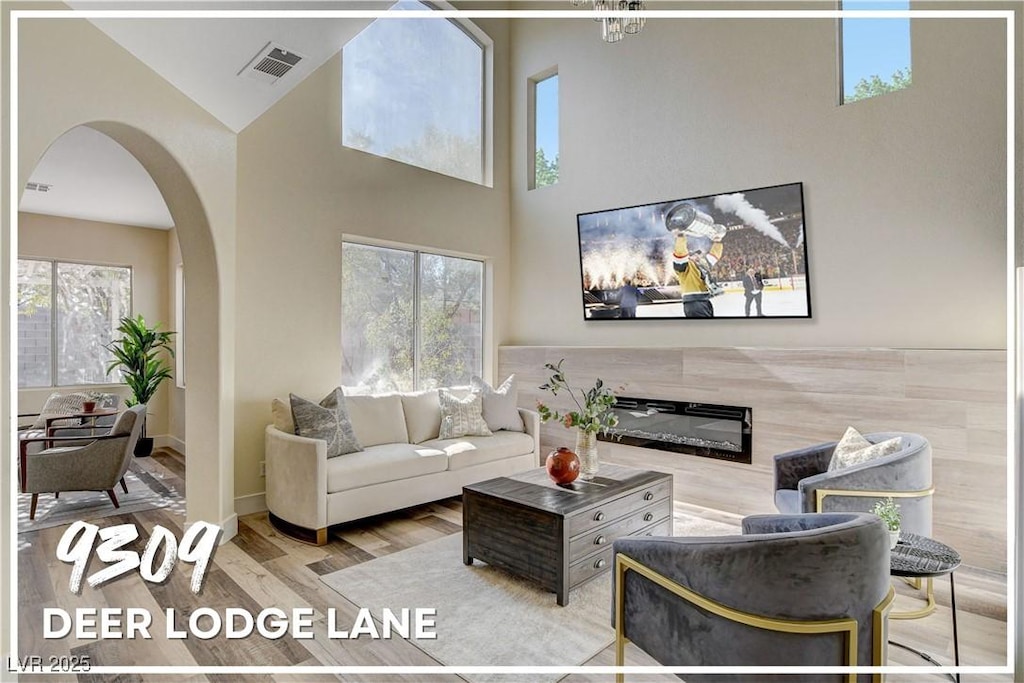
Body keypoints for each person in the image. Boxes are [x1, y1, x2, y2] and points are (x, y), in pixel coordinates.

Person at [665, 203, 726, 318]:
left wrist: (717, 241)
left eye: (699, 254)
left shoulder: (702, 264)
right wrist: (681, 236)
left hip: (705, 300)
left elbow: (714, 255)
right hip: (693, 303)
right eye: (694, 255)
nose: (698, 256)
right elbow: (680, 253)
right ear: (689, 257)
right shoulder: (683, 268)